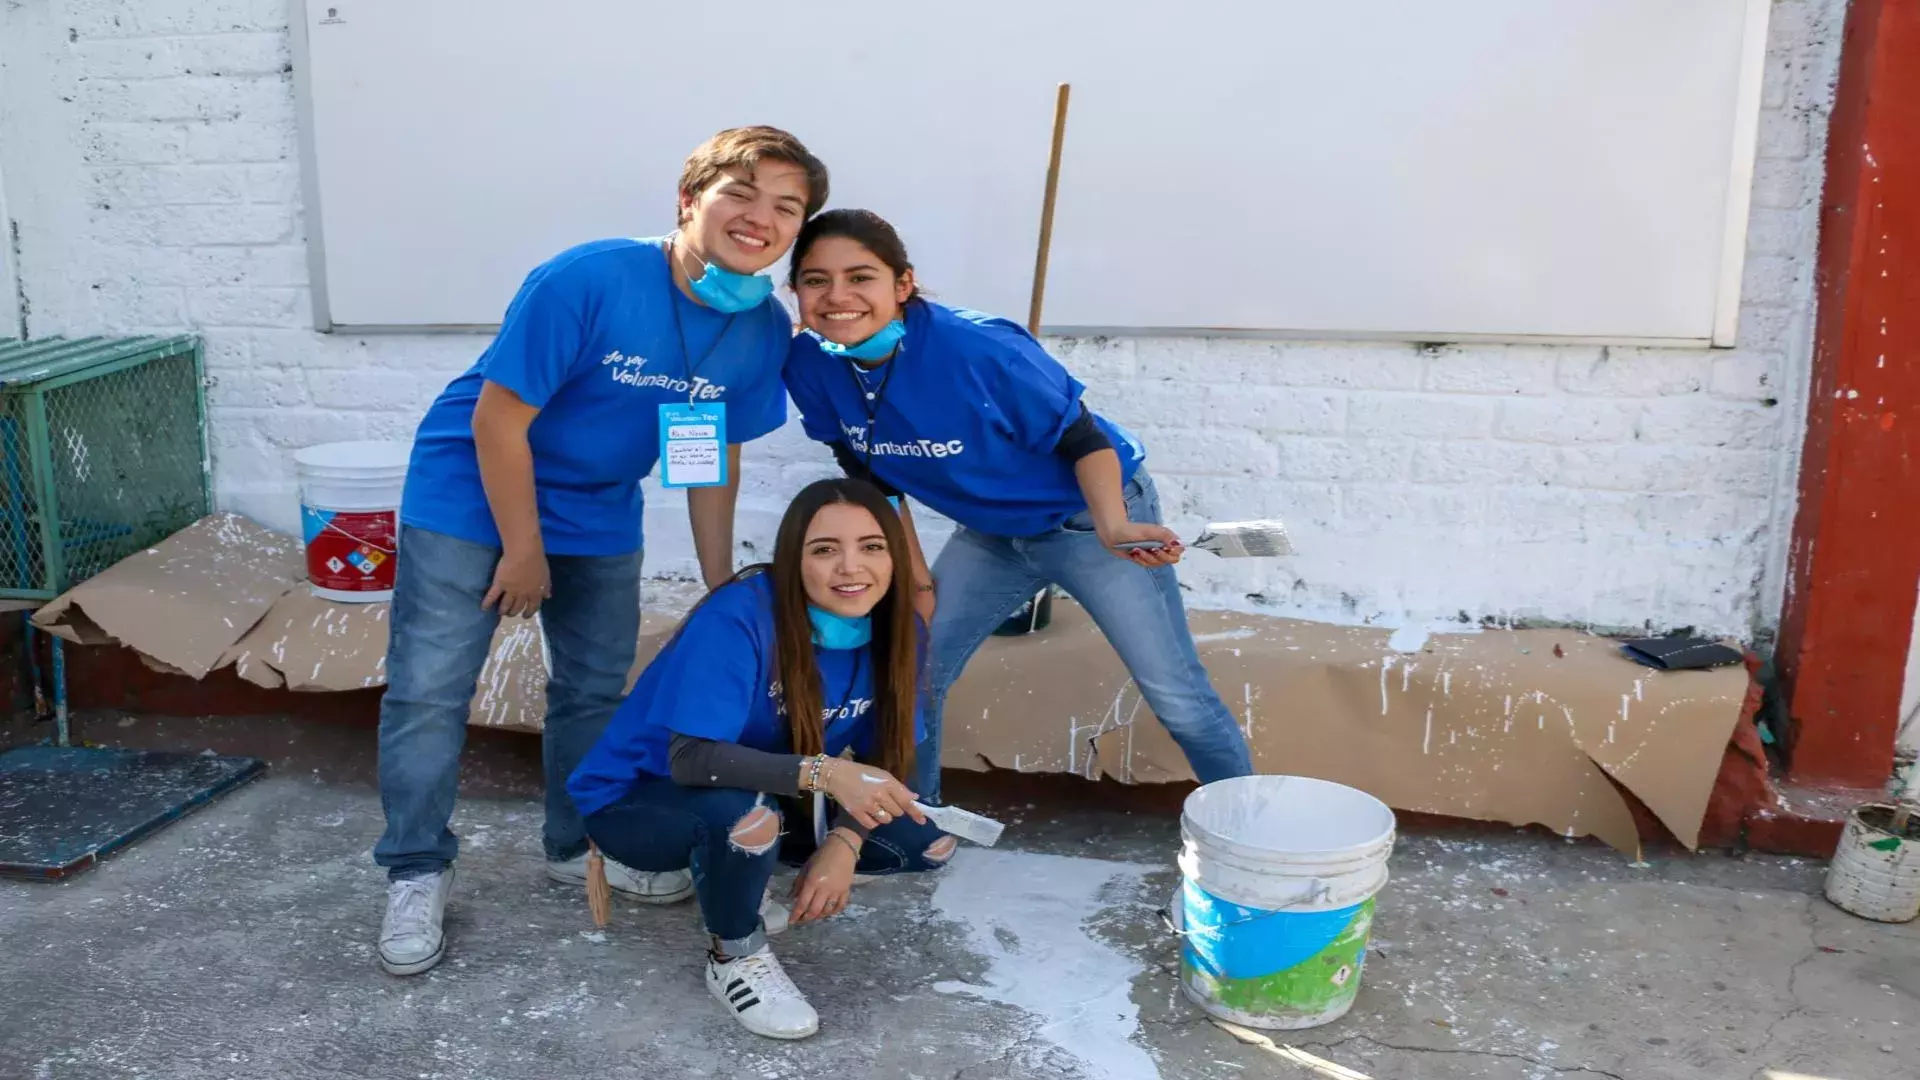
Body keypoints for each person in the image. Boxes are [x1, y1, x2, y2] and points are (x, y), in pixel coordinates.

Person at [372, 126, 831, 977]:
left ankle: (573, 843)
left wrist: (720, 580)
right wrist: (523, 550)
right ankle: (415, 867)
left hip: (599, 505)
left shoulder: (760, 328)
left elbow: (710, 453)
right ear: (690, 200)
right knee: (432, 689)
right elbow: (496, 420)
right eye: (742, 193)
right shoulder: (588, 277)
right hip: (472, 490)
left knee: (591, 689)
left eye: (786, 207)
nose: (759, 218)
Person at [781, 209, 1256, 806]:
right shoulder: (810, 362)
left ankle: (1249, 835)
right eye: (816, 280)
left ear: (903, 285)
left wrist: (1113, 525)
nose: (838, 296)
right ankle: (916, 827)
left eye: (860, 277)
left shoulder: (977, 348)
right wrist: (917, 580)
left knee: (1176, 694)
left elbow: (1084, 439)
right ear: (794, 290)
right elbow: (868, 476)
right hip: (989, 535)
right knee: (910, 674)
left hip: (1085, 521)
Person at [568, 478, 952, 1039]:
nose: (851, 567)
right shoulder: (739, 617)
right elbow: (691, 759)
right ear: (794, 559)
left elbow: (886, 759)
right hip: (640, 798)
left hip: (765, 786)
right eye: (825, 550)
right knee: (746, 820)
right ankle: (735, 953)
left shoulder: (899, 629)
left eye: (872, 546)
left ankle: (738, 873)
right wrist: (826, 772)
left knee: (926, 839)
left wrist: (843, 847)